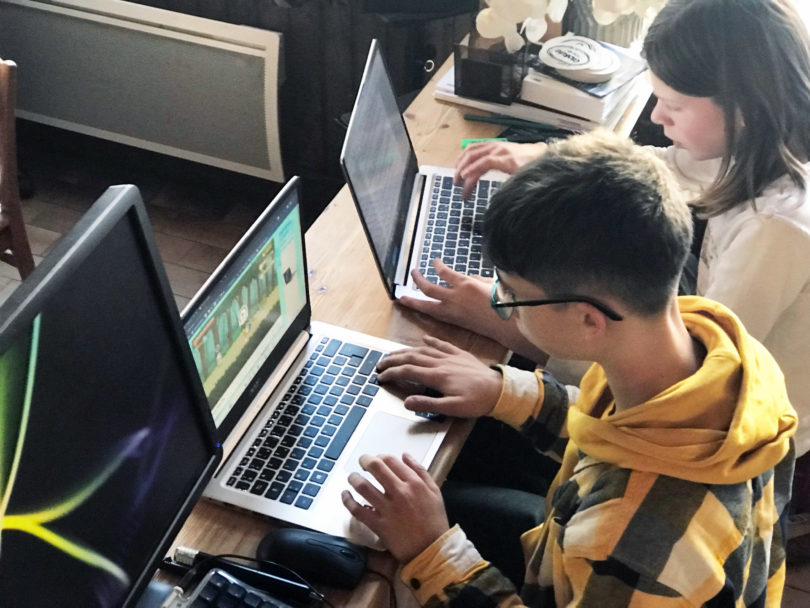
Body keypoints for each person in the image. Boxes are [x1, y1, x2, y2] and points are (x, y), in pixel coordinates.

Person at [401, 0, 810, 533]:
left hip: (718, 445)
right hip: (683, 396)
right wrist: (548, 158)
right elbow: (664, 167)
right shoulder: (755, 149)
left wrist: (509, 325)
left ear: (742, 107)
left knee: (460, 457)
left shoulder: (776, 229)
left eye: (674, 105)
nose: (658, 117)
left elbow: (682, 388)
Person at [341, 130, 797, 606]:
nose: (501, 303)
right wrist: (504, 390)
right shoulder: (719, 356)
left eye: (511, 294)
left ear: (588, 320)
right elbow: (623, 431)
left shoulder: (631, 548)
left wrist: (432, 553)